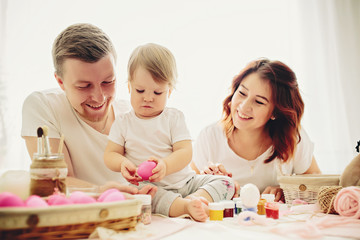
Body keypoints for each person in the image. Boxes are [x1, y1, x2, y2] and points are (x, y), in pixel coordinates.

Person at [21, 23, 156, 196]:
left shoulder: (132, 113)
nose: (99, 98)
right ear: (60, 82)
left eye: (108, 82)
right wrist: (99, 191)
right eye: (84, 86)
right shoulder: (44, 106)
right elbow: (56, 182)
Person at [104, 43, 235, 222]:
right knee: (143, 197)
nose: (148, 98)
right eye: (140, 90)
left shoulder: (174, 118)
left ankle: (194, 199)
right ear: (129, 87)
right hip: (152, 187)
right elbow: (110, 154)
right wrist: (122, 163)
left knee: (226, 182)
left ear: (170, 91)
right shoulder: (123, 122)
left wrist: (165, 166)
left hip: (187, 183)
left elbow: (185, 152)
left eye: (158, 92)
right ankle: (185, 207)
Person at [191, 58, 321, 202]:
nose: (244, 106)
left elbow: (317, 182)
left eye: (259, 102)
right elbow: (188, 189)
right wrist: (209, 182)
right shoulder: (210, 137)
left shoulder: (292, 137)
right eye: (242, 93)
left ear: (275, 112)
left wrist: (287, 191)